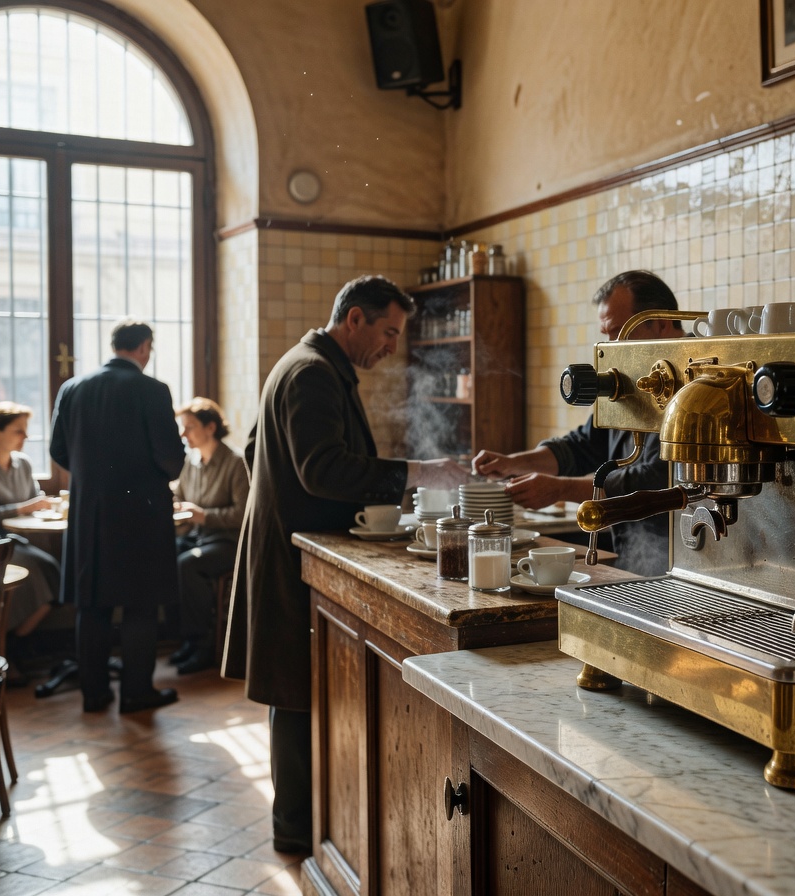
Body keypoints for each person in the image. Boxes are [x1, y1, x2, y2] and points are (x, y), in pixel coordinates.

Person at [223, 274, 470, 854]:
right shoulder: (313, 372)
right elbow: (323, 469)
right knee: (296, 696)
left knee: (297, 693)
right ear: (354, 318)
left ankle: (303, 827)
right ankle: (298, 833)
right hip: (294, 556)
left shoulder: (307, 364)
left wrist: (285, 498)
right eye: (388, 332)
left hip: (287, 545)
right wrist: (419, 472)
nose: (392, 346)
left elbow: (257, 449)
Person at [472, 270, 685, 575]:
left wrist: (560, 489)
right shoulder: (633, 376)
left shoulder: (697, 382)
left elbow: (658, 479)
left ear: (661, 323)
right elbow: (585, 444)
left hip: (688, 554)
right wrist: (514, 463)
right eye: (606, 334)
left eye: (618, 332)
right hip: (635, 554)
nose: (610, 346)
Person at [50, 319, 186, 714]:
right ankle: (136, 692)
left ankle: (94, 694)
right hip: (141, 514)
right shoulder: (153, 390)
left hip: (89, 513)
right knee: (140, 605)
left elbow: (58, 450)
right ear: (143, 347)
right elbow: (171, 460)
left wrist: (93, 476)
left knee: (91, 605)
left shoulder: (72, 388)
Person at [0, 402, 60, 676]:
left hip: (17, 542)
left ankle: (14, 642)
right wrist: (21, 508)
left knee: (53, 569)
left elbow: (34, 501)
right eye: (18, 430)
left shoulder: (23, 464)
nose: (26, 436)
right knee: (31, 569)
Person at [170, 397, 248, 675]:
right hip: (198, 537)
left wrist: (204, 516)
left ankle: (202, 645)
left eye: (189, 427)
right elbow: (179, 495)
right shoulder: (191, 462)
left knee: (188, 565)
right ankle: (185, 640)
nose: (183, 434)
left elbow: (243, 513)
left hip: (228, 542)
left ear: (211, 427)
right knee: (166, 554)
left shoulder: (236, 463)